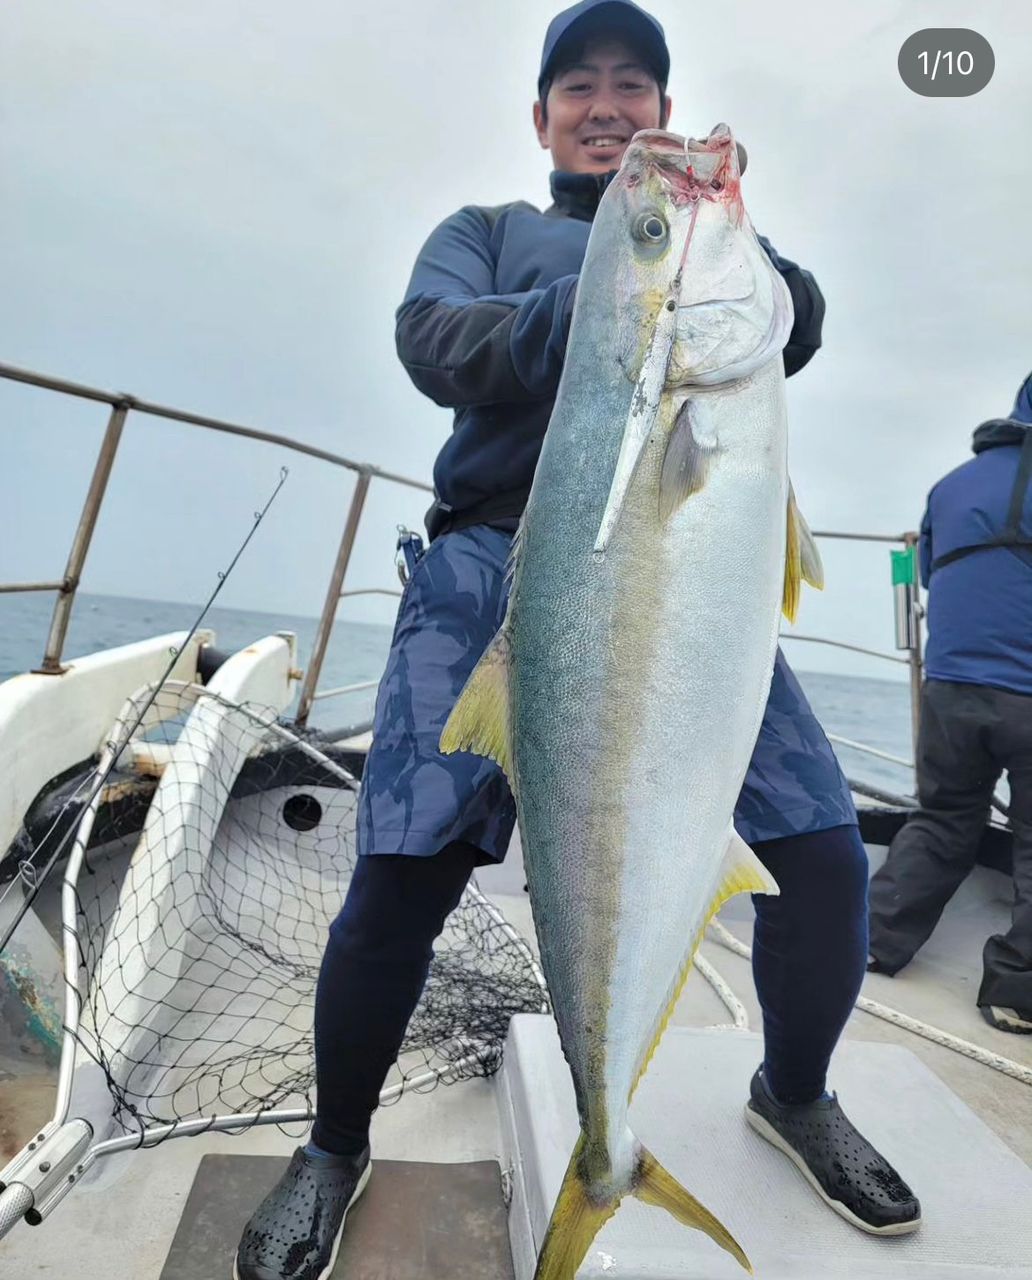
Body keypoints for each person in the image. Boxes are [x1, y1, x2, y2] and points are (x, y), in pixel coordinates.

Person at [234, 5, 920, 1276]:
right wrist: (602, 297)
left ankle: (798, 1089)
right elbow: (431, 337)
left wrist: (713, 243)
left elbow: (794, 319)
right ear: (541, 116)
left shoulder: (706, 244)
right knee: (399, 872)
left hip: (678, 583)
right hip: (490, 566)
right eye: (578, 85)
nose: (608, 104)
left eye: (634, 84)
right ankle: (333, 1143)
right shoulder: (488, 235)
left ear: (661, 106)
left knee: (825, 854)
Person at [868, 374, 1032, 1034]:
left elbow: (933, 573)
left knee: (942, 819)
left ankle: (872, 942)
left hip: (952, 685)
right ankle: (1015, 994)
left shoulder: (952, 484)